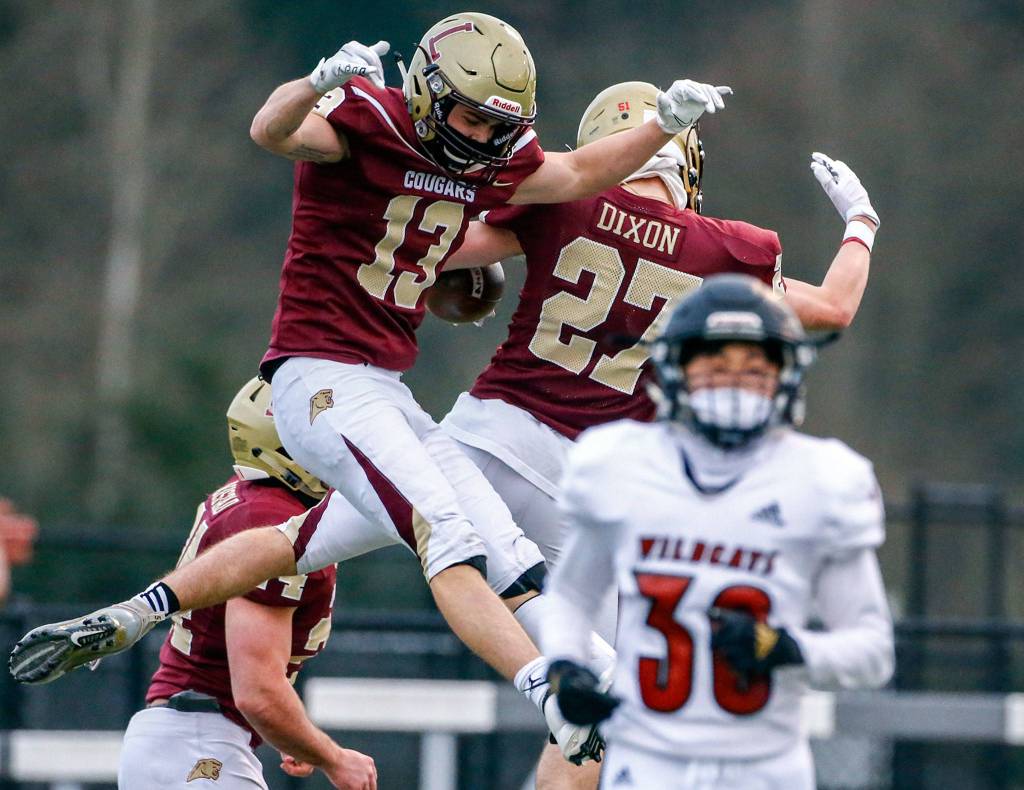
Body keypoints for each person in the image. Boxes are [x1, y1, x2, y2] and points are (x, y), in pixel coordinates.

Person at [9, 14, 729, 773]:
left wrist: (662, 124)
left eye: (499, 125)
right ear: (427, 89)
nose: (483, 137)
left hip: (382, 386)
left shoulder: (494, 156)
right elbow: (274, 129)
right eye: (471, 115)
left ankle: (139, 609)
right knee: (447, 533)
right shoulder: (370, 119)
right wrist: (315, 84)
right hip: (318, 375)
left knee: (496, 549)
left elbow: (579, 173)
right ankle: (551, 691)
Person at [540, 274, 895, 790]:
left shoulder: (822, 479)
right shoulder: (621, 463)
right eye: (715, 366)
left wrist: (787, 647)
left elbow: (872, 651)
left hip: (764, 766)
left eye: (754, 369)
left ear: (785, 374)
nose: (734, 383)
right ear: (676, 369)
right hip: (646, 759)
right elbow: (571, 596)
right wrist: (566, 668)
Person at [115, 378, 375, 790]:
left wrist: (296, 736)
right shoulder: (274, 523)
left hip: (191, 740)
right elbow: (256, 692)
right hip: (199, 746)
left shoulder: (254, 500)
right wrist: (335, 759)